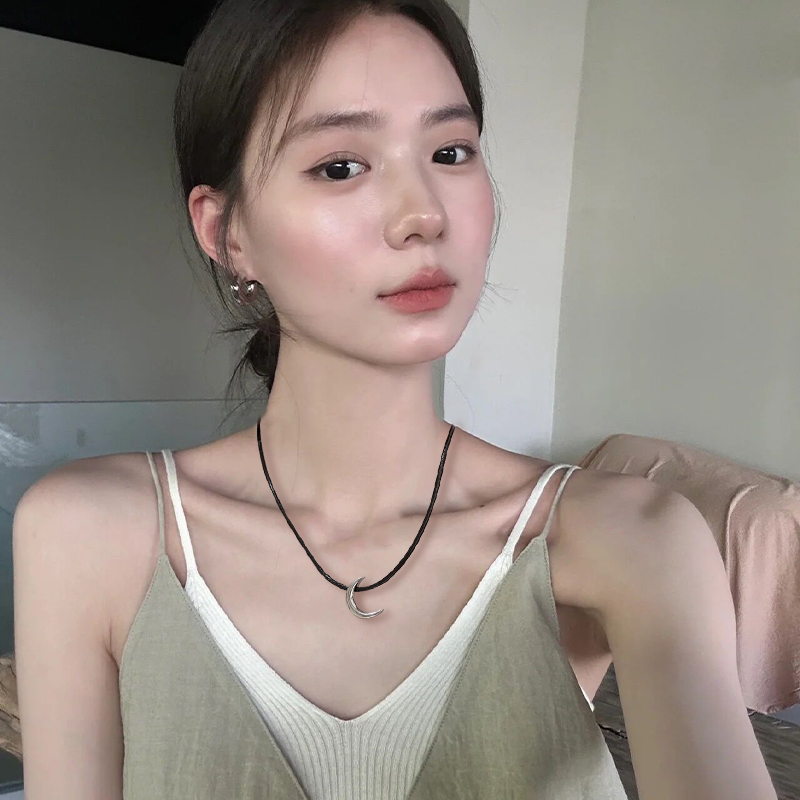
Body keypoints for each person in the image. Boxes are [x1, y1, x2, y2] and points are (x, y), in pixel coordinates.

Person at [13, 1, 778, 798]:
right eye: (341, 166)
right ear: (227, 233)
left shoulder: (633, 541)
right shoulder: (91, 534)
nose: (425, 214)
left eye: (451, 152)